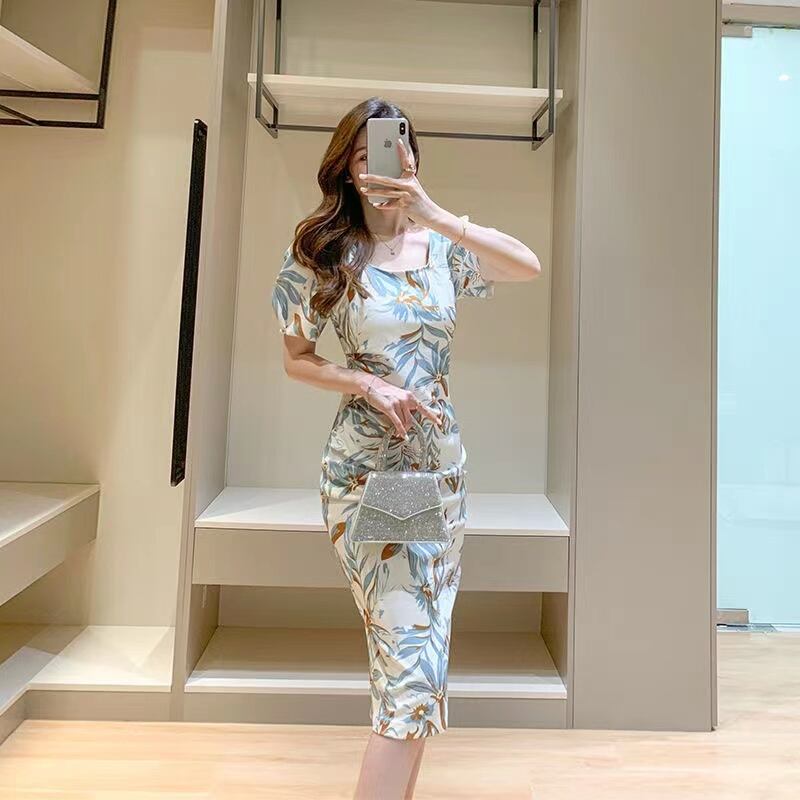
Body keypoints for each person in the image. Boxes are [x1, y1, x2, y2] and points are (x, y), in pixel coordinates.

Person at [270, 97, 541, 800]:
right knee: (410, 668)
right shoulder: (324, 254)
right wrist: (364, 381)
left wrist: (434, 213)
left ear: (414, 158)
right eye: (365, 156)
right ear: (346, 170)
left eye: (396, 150)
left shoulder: (442, 246)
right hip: (377, 472)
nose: (384, 167)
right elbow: (297, 359)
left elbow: (527, 266)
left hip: (439, 472)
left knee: (422, 668)